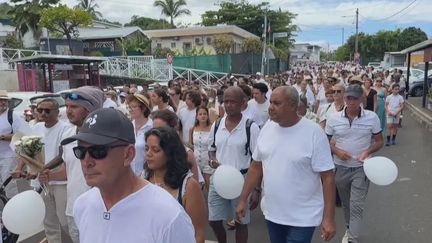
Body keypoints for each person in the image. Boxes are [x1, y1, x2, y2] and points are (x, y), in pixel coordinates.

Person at [61, 108, 195, 243]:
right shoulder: (82, 205)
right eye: (81, 151)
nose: (86, 161)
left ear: (128, 154)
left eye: (98, 151)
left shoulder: (168, 215)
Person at [237, 86, 336, 243]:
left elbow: (328, 177)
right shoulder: (267, 129)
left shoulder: (314, 133)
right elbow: (256, 167)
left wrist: (329, 218)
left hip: (303, 217)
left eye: (277, 103)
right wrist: (243, 199)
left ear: (292, 105)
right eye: (271, 103)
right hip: (273, 213)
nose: (271, 107)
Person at [41, 86, 105, 243]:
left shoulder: (105, 137)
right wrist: (50, 175)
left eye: (74, 107)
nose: (68, 111)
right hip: (73, 208)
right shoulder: (68, 134)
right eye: (67, 106)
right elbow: (70, 170)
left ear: (90, 109)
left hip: (99, 208)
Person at [325, 84, 384, 243]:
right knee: (346, 204)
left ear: (362, 100)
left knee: (356, 205)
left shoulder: (372, 117)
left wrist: (368, 151)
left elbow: (379, 141)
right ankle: (350, 229)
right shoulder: (334, 119)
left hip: (361, 169)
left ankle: (352, 238)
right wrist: (337, 151)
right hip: (340, 168)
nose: (350, 102)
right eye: (348, 98)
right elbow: (326, 142)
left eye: (354, 98)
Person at [207, 87, 260, 243]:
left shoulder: (251, 127)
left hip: (242, 180)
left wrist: (257, 189)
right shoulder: (217, 125)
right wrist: (212, 160)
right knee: (213, 221)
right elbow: (211, 150)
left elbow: (257, 161)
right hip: (219, 179)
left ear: (243, 103)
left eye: (232, 102)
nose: (228, 105)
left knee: (240, 221)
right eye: (226, 101)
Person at [144, 126, 207, 243]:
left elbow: (198, 234)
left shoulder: (188, 186)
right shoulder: (143, 178)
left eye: (155, 150)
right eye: (147, 148)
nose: (148, 154)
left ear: (170, 153)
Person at [30, 99, 72, 242]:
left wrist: (42, 169)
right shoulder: (35, 128)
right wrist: (20, 168)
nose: (43, 113)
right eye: (40, 109)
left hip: (60, 181)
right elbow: (25, 150)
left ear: (57, 112)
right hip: (41, 181)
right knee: (48, 220)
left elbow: (62, 155)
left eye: (47, 111)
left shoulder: (65, 128)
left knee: (65, 220)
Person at [0, 90, 21, 198]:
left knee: (8, 185)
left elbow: (21, 136)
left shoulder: (13, 115)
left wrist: (3, 137)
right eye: (1, 100)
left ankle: (13, 209)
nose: (3, 103)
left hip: (8, 156)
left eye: (5, 100)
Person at [126, 93, 153, 175]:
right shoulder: (128, 126)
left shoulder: (152, 127)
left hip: (146, 175)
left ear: (143, 109)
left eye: (134, 107)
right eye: (129, 107)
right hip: (129, 175)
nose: (130, 110)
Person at [189, 106, 213, 191]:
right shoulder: (192, 129)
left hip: (208, 161)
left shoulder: (212, 128)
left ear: (207, 115)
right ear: (197, 116)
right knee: (197, 188)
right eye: (200, 114)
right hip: (196, 162)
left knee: (209, 187)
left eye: (205, 114)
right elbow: (190, 144)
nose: (202, 116)